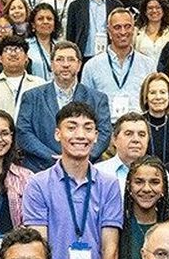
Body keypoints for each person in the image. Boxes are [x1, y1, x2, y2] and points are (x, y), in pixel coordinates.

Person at [22, 101, 124, 259]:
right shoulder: (38, 184)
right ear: (57, 134)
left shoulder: (109, 185)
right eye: (71, 127)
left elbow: (111, 250)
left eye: (88, 128)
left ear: (96, 136)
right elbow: (39, 250)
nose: (80, 135)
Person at [16, 40, 113, 170]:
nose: (65, 64)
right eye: (60, 59)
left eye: (71, 60)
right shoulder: (32, 97)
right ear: (52, 65)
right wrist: (52, 157)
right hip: (41, 167)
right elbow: (23, 132)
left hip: (85, 168)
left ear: (79, 65)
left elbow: (104, 133)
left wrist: (81, 156)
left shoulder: (98, 99)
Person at [81, 8, 155, 125]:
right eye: (117, 27)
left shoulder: (148, 65)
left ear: (134, 29)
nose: (123, 32)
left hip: (138, 127)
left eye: (127, 26)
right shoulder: (91, 66)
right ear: (109, 32)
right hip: (104, 127)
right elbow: (85, 105)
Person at [113, 158, 169, 259]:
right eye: (139, 182)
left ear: (163, 188)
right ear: (129, 186)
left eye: (154, 182)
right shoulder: (117, 226)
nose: (146, 189)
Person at [0, 37, 46, 121]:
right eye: (7, 50)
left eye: (18, 49)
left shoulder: (40, 84)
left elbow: (45, 116)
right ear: (0, 58)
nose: (13, 54)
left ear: (26, 57)